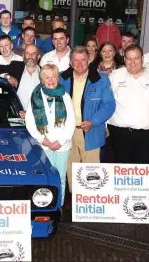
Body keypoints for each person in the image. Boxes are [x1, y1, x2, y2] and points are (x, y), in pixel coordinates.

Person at [60, 46, 115, 195]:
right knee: (71, 168)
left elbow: (109, 105)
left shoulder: (101, 80)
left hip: (91, 131)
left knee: (91, 170)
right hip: (68, 132)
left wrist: (93, 121)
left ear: (88, 60)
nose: (79, 64)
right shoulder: (60, 79)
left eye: (83, 60)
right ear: (70, 63)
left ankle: (91, 200)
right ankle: (75, 200)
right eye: (76, 60)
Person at [25, 64, 75, 206]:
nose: (51, 80)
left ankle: (58, 207)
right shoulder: (35, 96)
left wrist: (60, 141)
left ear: (58, 78)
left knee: (60, 178)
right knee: (45, 178)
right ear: (41, 80)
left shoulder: (65, 96)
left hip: (62, 145)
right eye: (47, 77)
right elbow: (30, 122)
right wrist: (44, 140)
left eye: (53, 76)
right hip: (43, 145)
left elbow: (71, 122)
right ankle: (46, 206)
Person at [107, 44, 149, 164]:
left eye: (136, 58)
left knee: (143, 173)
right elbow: (106, 102)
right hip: (119, 133)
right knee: (121, 173)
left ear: (142, 59)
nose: (132, 62)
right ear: (124, 59)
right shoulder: (115, 76)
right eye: (129, 58)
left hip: (147, 135)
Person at [0, 45, 41, 111]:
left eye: (33, 54)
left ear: (38, 56)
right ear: (23, 55)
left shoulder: (45, 72)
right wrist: (7, 76)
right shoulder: (16, 66)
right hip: (16, 115)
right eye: (27, 53)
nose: (30, 56)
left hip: (37, 116)